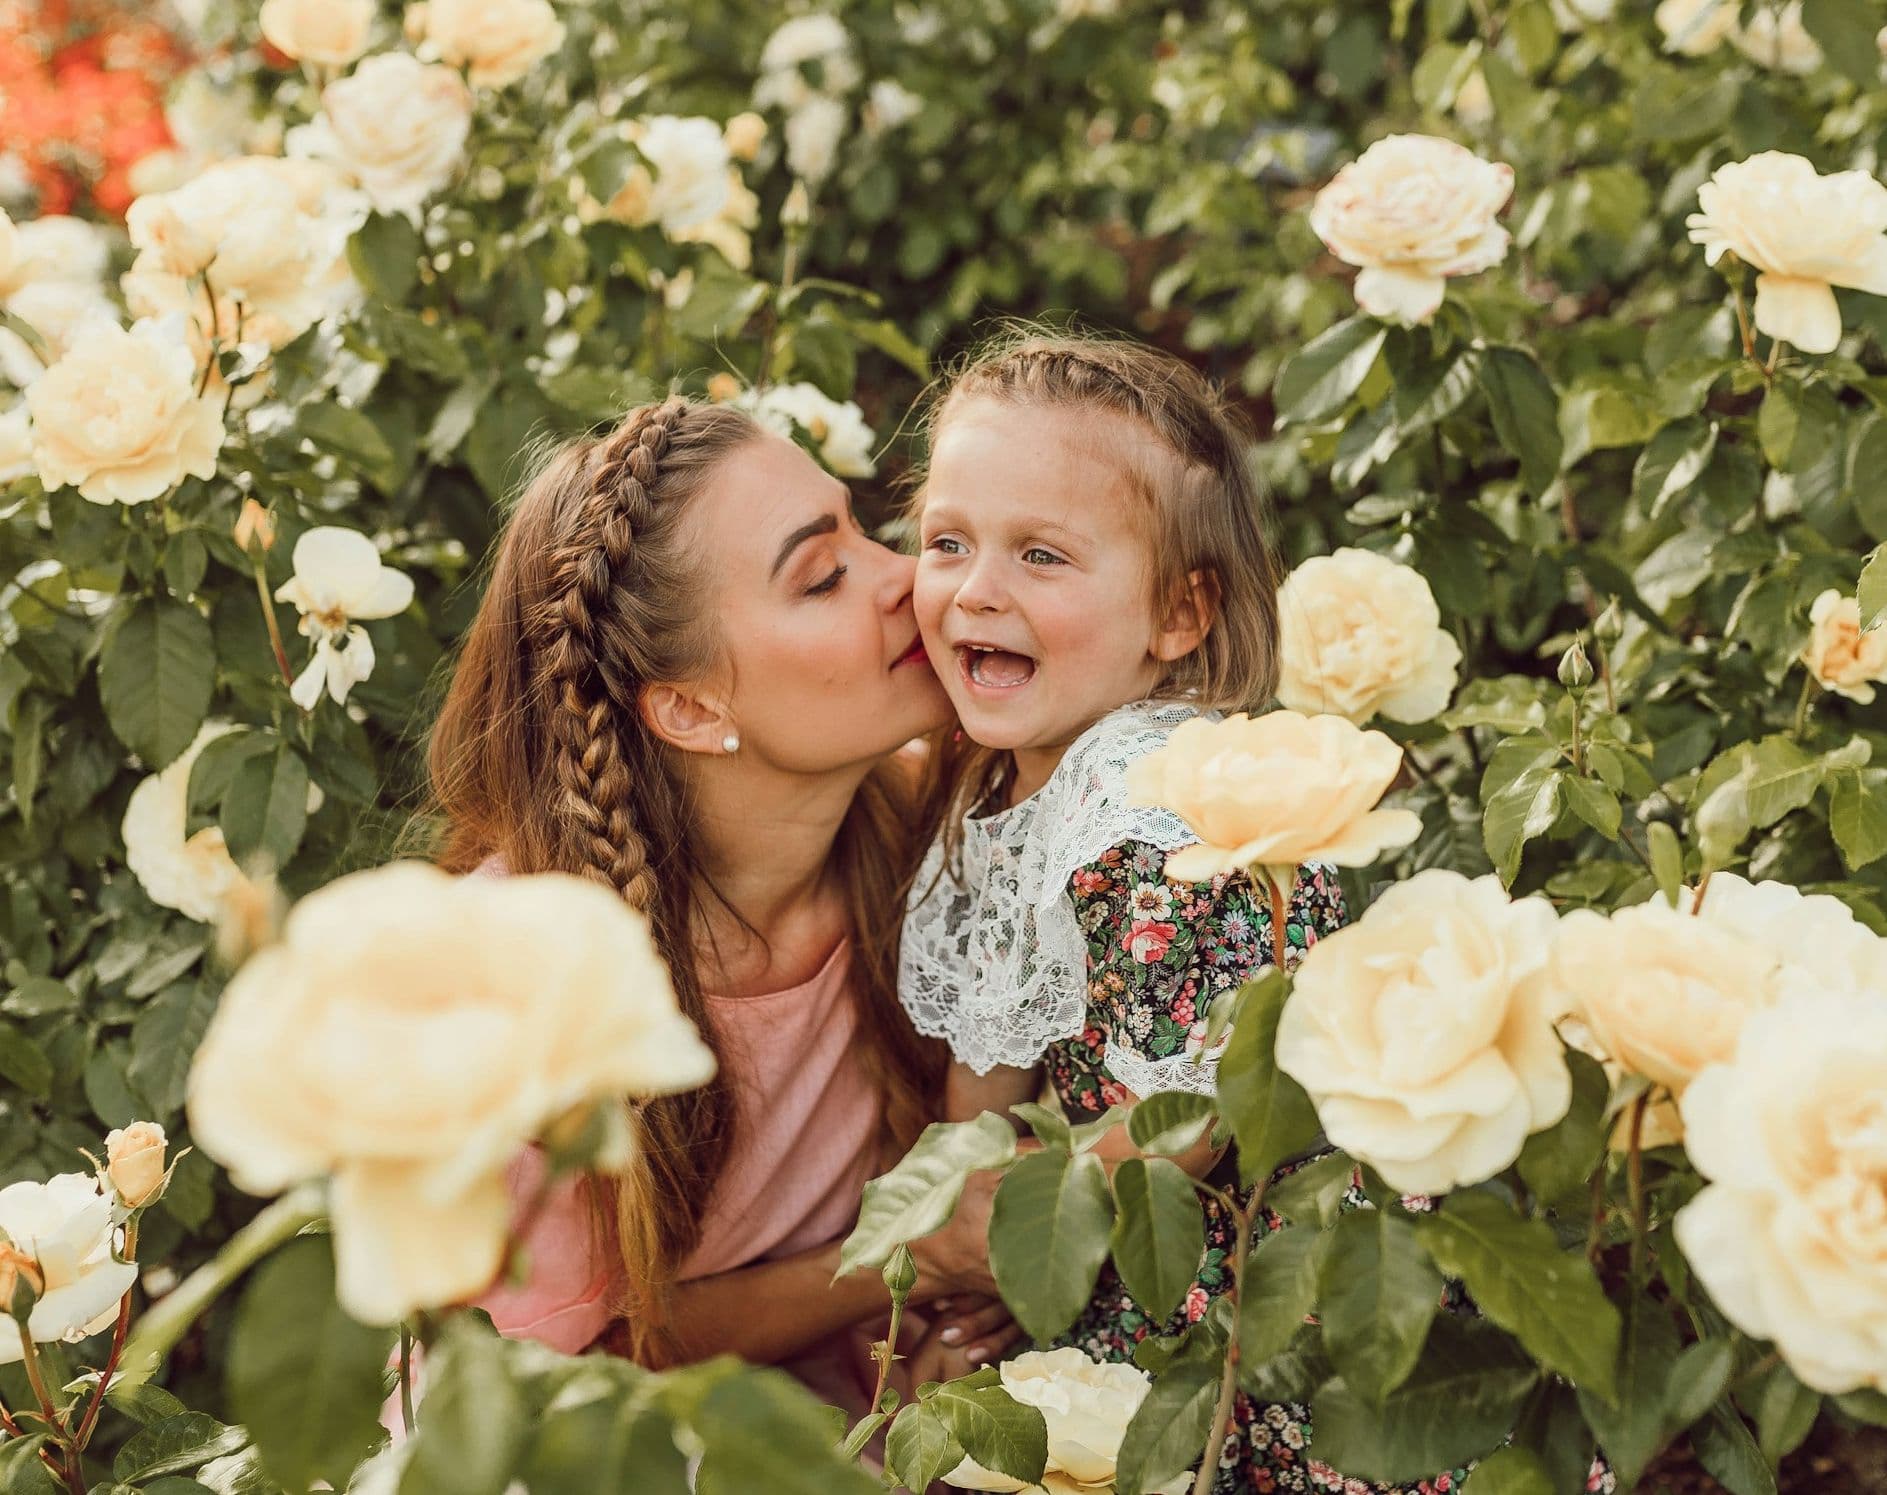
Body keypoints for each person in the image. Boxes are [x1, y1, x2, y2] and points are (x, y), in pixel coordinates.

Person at [898, 332, 1460, 1492]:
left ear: (1178, 615)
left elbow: (1195, 1114)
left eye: (1041, 555)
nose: (976, 588)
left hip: (1244, 1247)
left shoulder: (1161, 810)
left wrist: (1010, 1243)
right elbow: (987, 1080)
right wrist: (967, 1235)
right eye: (946, 541)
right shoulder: (1000, 789)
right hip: (1126, 1215)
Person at [424, 395, 1015, 1409]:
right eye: (823, 576)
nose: (907, 579)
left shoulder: (935, 821)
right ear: (693, 710)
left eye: (866, 532)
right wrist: (915, 1251)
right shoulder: (523, 979)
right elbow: (545, 1379)